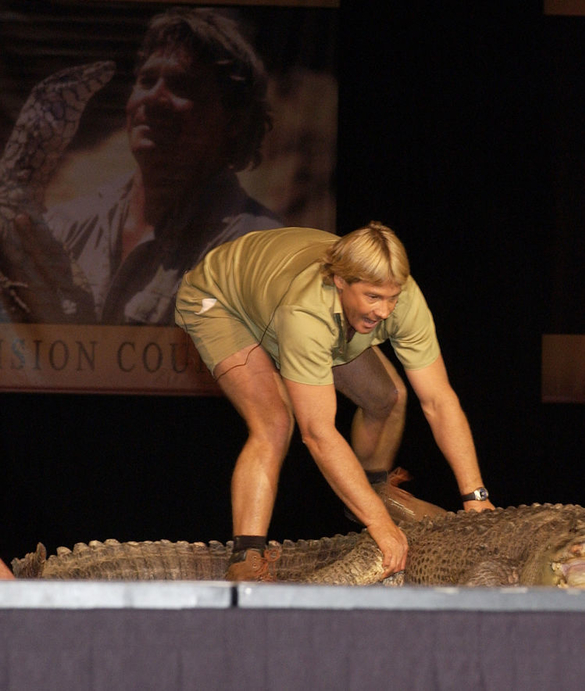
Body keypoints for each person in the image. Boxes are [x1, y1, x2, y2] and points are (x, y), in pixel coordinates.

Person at [175, 222, 495, 581]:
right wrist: (381, 525)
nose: (385, 311)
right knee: (276, 423)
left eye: (392, 297)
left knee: (388, 397)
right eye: (373, 297)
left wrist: (475, 496)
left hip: (286, 293)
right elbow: (318, 433)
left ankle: (371, 495)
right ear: (341, 281)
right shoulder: (305, 313)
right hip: (222, 301)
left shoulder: (401, 299)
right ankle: (247, 556)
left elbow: (438, 399)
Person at [37, 7, 283, 324]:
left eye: (182, 86)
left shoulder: (255, 251)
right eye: (146, 80)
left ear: (233, 121)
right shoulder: (68, 225)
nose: (153, 99)